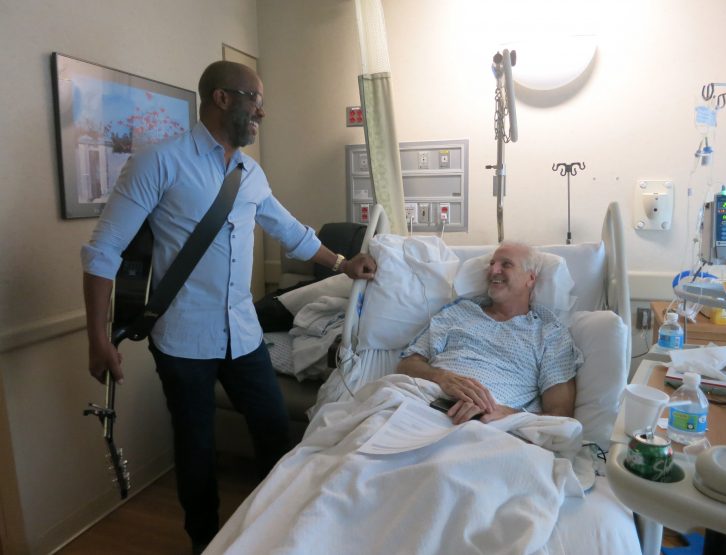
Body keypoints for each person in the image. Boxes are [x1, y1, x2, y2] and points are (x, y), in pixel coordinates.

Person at [81, 60, 376, 552]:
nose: (263, 110)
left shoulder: (250, 173)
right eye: (255, 100)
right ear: (222, 98)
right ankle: (205, 542)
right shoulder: (160, 162)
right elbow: (103, 251)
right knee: (196, 449)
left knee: (272, 432)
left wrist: (343, 262)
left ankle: (273, 533)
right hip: (181, 338)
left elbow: (291, 231)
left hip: (243, 334)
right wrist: (96, 338)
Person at [397, 241, 580, 425]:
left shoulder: (550, 333)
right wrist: (442, 378)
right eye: (492, 264)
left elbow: (560, 415)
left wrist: (507, 414)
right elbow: (407, 365)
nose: (493, 271)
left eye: (506, 264)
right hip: (424, 403)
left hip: (488, 423)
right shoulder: (457, 312)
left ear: (530, 278)